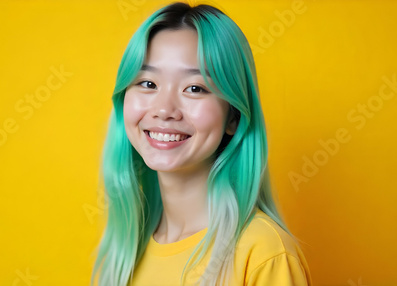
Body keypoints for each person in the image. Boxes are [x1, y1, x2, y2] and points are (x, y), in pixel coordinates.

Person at [91, 2, 312, 285]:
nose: (164, 109)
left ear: (233, 117)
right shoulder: (124, 253)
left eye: (195, 88)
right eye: (147, 83)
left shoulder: (263, 254)